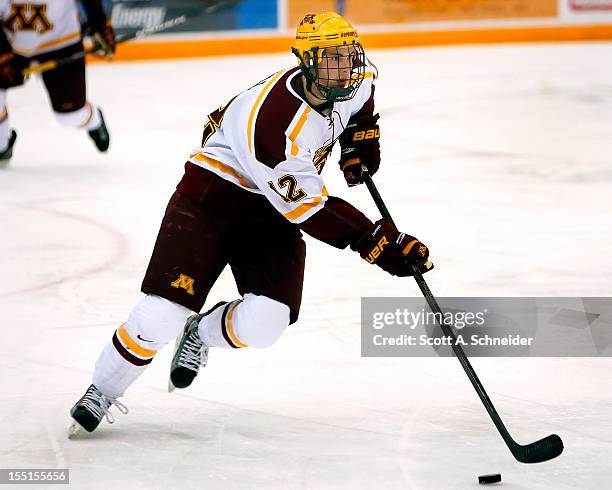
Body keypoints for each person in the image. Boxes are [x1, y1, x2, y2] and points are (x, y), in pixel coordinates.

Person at [69, 11, 433, 435]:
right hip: (210, 201)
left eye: (349, 55)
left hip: (270, 208)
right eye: (332, 59)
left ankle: (201, 333)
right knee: (159, 315)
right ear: (307, 63)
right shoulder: (276, 128)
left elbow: (362, 106)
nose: (346, 67)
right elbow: (312, 209)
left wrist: (359, 142)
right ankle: (103, 389)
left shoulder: (354, 80)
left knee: (267, 323)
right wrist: (377, 241)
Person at [0, 0, 116, 165]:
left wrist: (100, 24)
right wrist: (2, 53)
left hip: (61, 40)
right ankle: (2, 146)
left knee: (70, 117)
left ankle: (93, 119)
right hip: (9, 41)